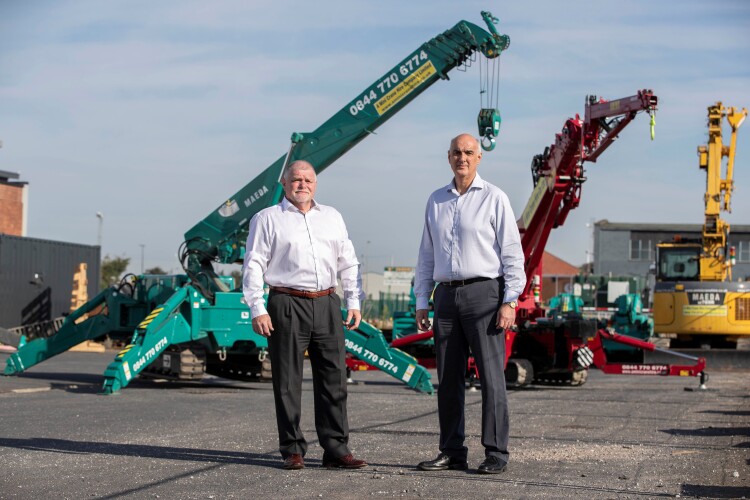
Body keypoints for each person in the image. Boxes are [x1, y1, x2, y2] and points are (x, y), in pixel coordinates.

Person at [242, 160, 368, 471]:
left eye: (308, 179)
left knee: (335, 379)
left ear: (316, 184)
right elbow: (254, 264)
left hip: (327, 302)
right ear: (284, 184)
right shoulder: (267, 219)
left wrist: (353, 301)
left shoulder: (332, 217)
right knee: (287, 381)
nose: (303, 185)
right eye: (296, 179)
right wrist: (257, 307)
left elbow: (348, 262)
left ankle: (336, 449)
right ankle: (292, 449)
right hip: (286, 302)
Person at [414, 133, 526, 474]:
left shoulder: (494, 198)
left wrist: (510, 301)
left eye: (468, 153)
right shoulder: (436, 200)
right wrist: (422, 300)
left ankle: (496, 452)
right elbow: (426, 255)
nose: (462, 158)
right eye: (456, 152)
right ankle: (451, 450)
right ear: (448, 157)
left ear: (479, 158)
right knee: (448, 379)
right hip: (446, 297)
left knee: (492, 377)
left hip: (485, 295)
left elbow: (512, 254)